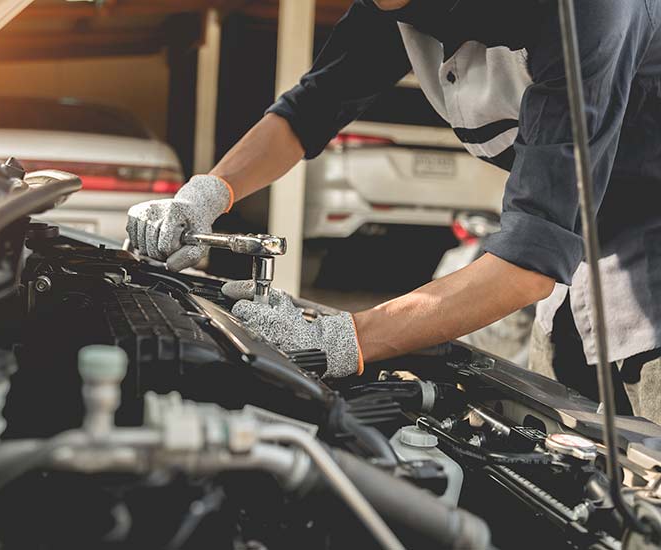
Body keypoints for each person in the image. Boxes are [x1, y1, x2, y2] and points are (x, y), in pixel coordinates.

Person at [127, 0, 661, 421]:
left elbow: (525, 267)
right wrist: (206, 194)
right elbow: (308, 110)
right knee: (562, 466)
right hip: (578, 261)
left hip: (648, 273)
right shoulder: (399, 11)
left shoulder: (586, 12)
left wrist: (343, 339)